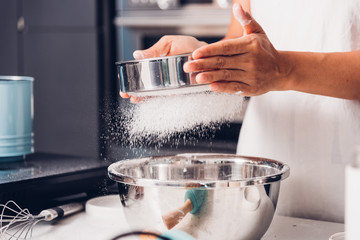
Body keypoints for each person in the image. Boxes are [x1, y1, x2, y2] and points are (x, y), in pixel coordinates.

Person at [121, 0, 360, 223]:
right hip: (262, 190)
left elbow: (270, 63)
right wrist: (201, 59)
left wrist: (282, 69)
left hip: (349, 184)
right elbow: (242, 41)